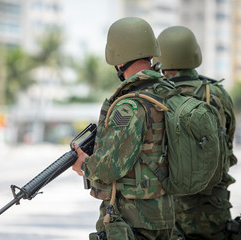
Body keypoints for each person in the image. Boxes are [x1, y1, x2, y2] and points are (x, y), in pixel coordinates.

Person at [72, 17, 175, 240]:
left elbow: (109, 168)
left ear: (118, 58)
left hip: (132, 219)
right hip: (165, 214)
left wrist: (84, 165)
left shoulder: (129, 106)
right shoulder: (168, 93)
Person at [155, 26, 241, 240]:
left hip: (168, 211)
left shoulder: (157, 96)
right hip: (212, 209)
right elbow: (227, 143)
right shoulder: (217, 94)